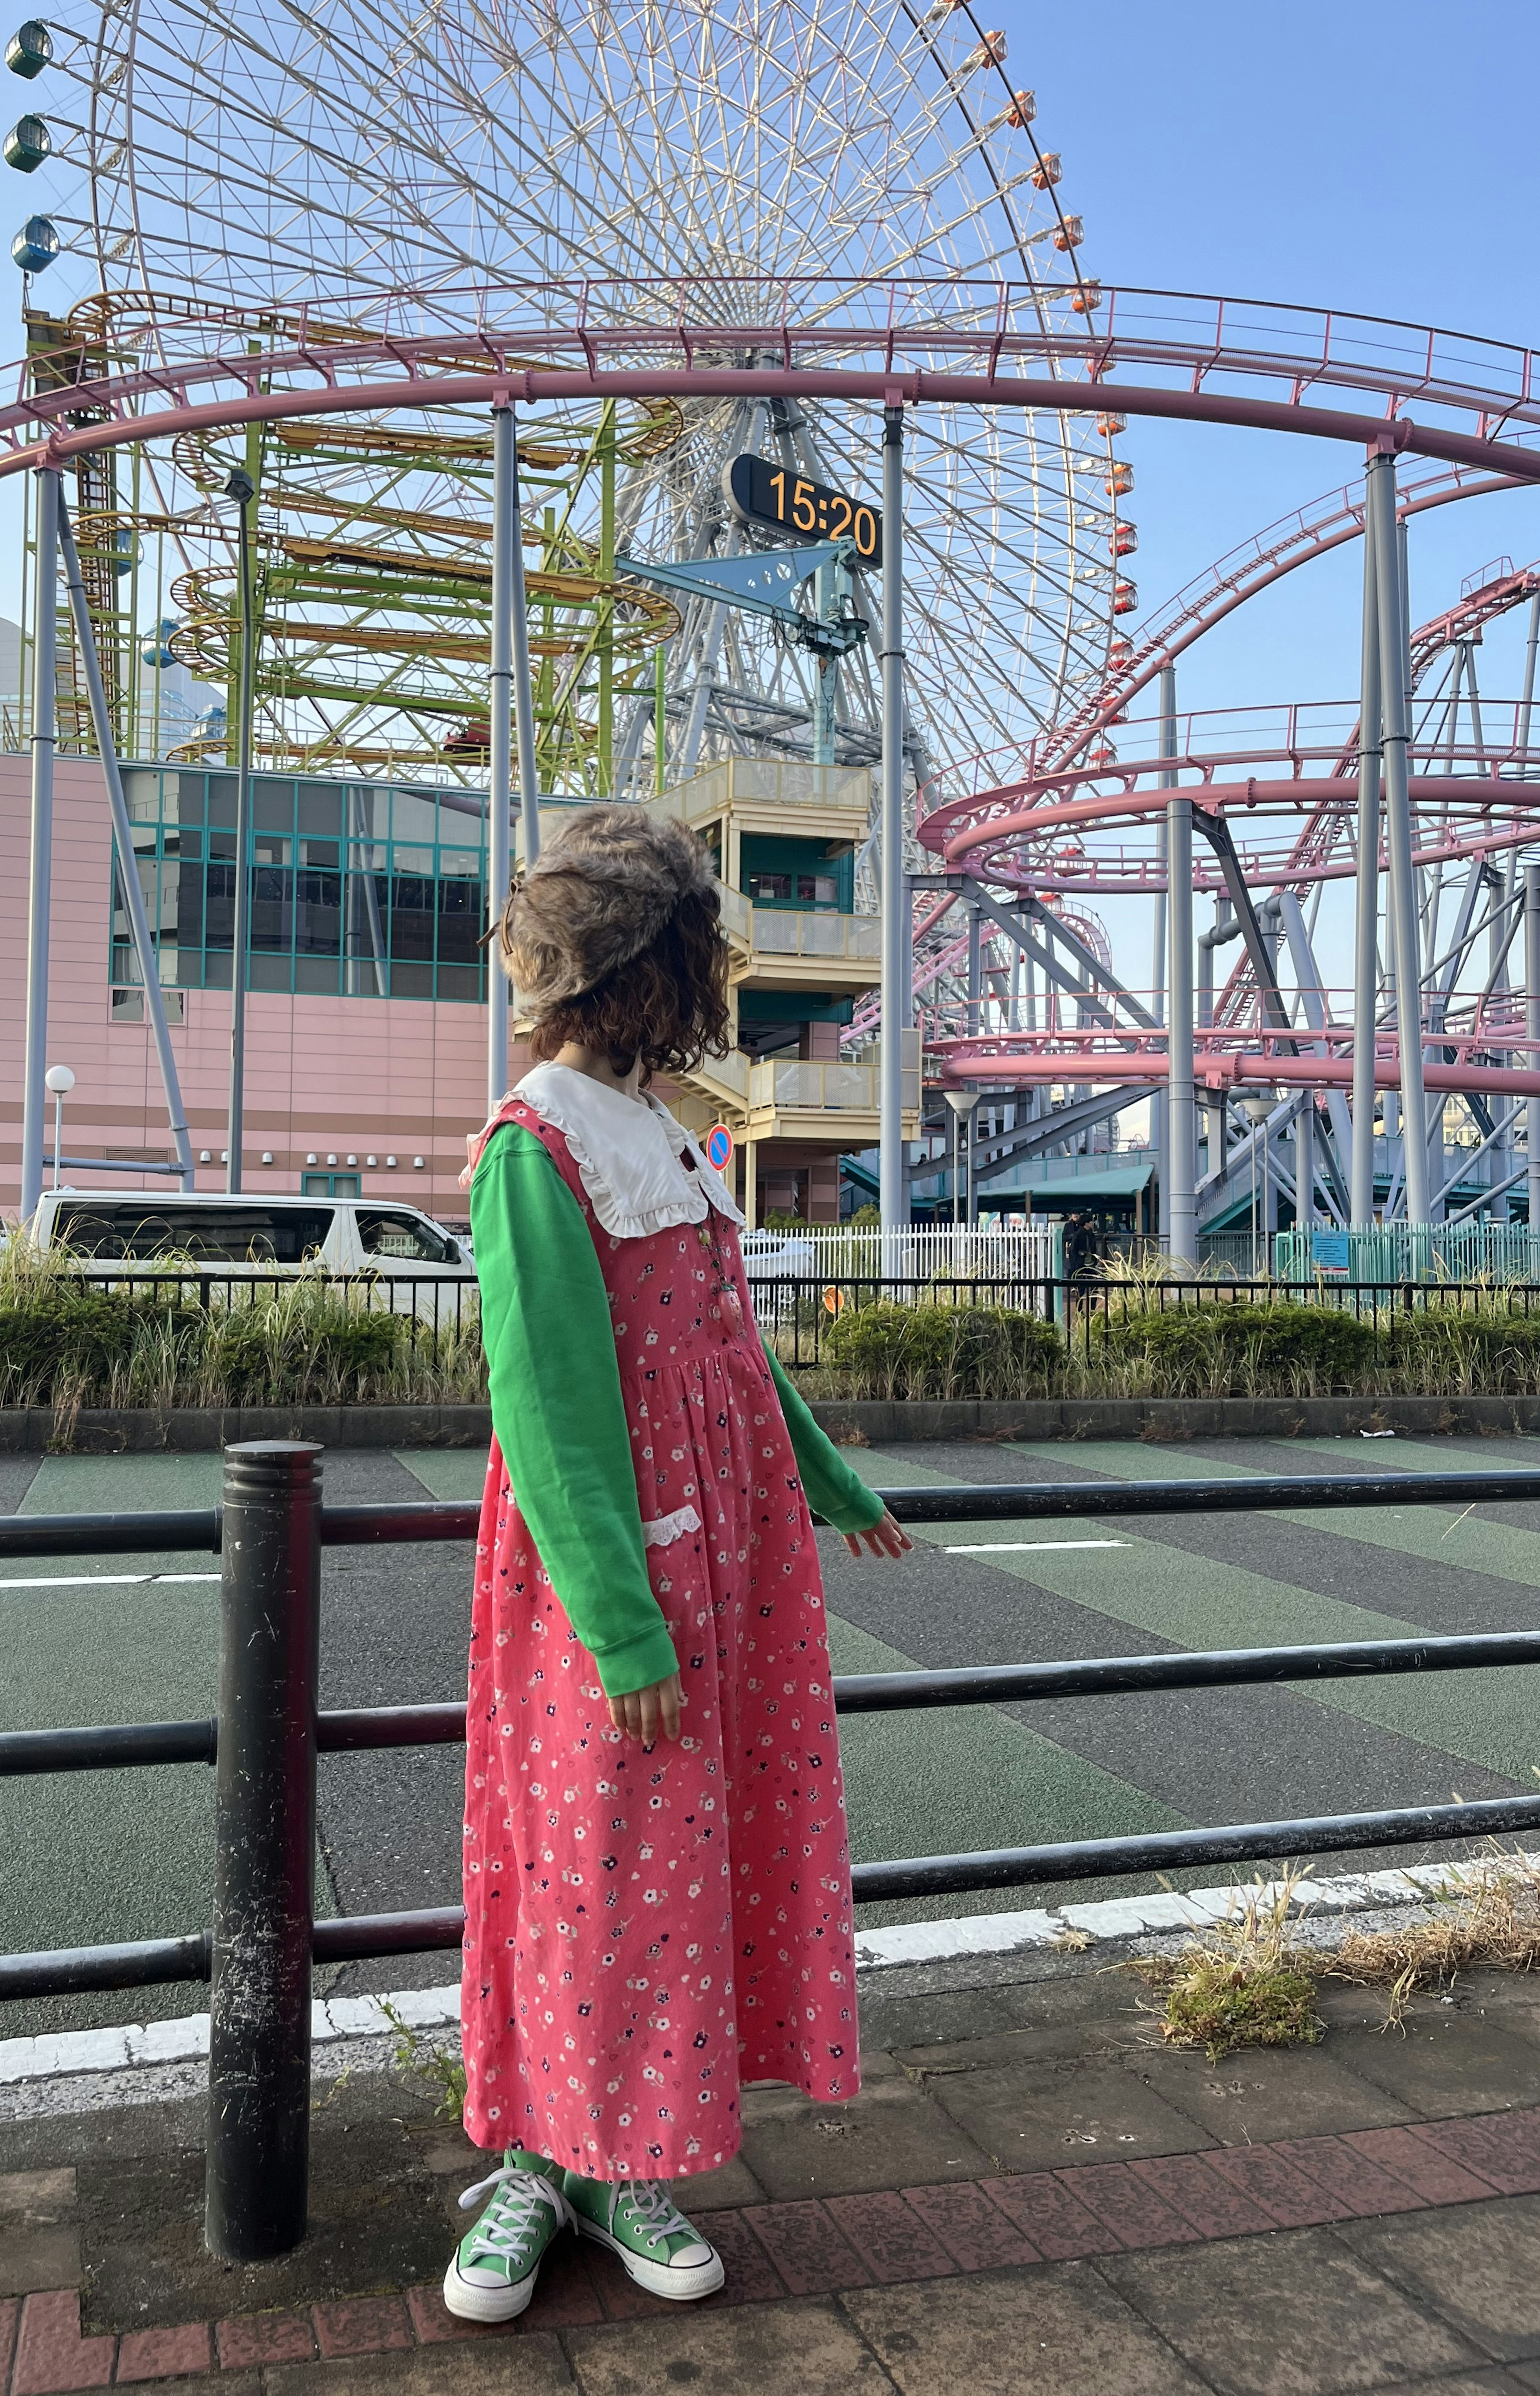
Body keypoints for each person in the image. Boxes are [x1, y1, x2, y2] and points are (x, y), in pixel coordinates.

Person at [444, 804, 911, 2323]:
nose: (711, 977)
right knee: (588, 1855)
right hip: (623, 1577)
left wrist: (829, 1479)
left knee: (665, 1866)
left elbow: (728, 1356)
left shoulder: (660, 1129)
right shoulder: (538, 1143)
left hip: (730, 1552)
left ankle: (616, 2152)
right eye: (695, 951)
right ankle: (538, 2157)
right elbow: (553, 1400)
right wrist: (622, 1629)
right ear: (644, 968)